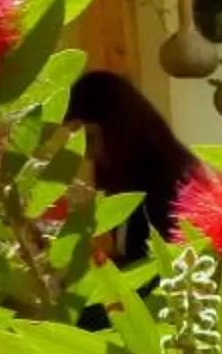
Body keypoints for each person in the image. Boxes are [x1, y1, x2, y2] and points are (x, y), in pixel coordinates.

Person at [65, 69, 196, 263]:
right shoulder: (122, 176)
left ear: (118, 127)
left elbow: (168, 264)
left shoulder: (172, 181)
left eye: (88, 139)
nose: (85, 153)